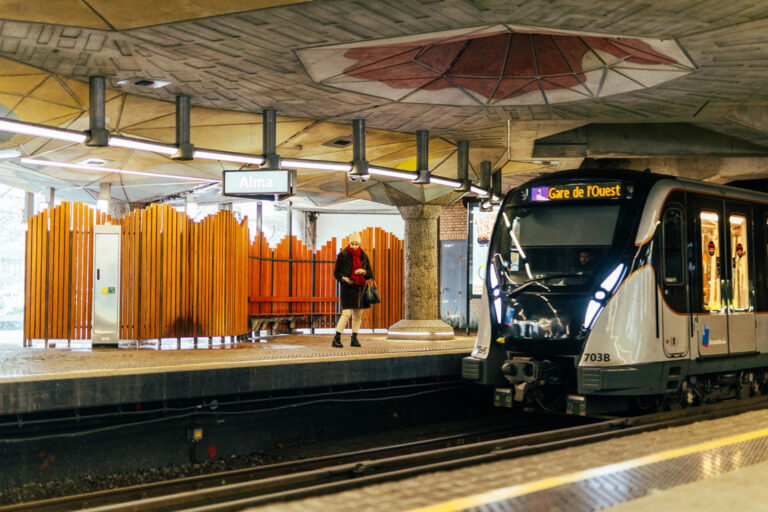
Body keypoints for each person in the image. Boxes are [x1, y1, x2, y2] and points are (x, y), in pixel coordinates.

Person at [332, 231, 374, 348]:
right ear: (349, 243)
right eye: (353, 244)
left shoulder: (363, 256)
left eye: (357, 244)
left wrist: (363, 271)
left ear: (359, 244)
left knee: (358, 315)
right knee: (346, 314)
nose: (355, 246)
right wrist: (344, 278)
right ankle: (336, 338)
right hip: (347, 288)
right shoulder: (342, 255)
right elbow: (336, 273)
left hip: (360, 289)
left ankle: (354, 339)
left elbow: (370, 274)